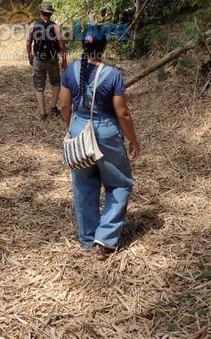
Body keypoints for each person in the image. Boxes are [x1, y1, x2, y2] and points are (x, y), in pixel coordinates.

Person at [60, 27, 140, 259]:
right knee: (119, 184)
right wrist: (133, 141)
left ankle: (87, 238)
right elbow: (122, 113)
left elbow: (65, 106)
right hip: (105, 133)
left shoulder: (71, 70)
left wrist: (72, 129)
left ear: (83, 46)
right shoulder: (112, 74)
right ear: (104, 47)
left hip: (79, 127)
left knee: (84, 184)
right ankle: (104, 239)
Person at [26, 0, 67, 120]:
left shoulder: (33, 25)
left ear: (40, 12)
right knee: (55, 82)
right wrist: (64, 60)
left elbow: (28, 43)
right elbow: (61, 46)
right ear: (51, 14)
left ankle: (43, 113)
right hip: (53, 59)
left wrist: (30, 56)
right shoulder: (56, 27)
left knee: (39, 84)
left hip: (39, 59)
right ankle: (53, 107)